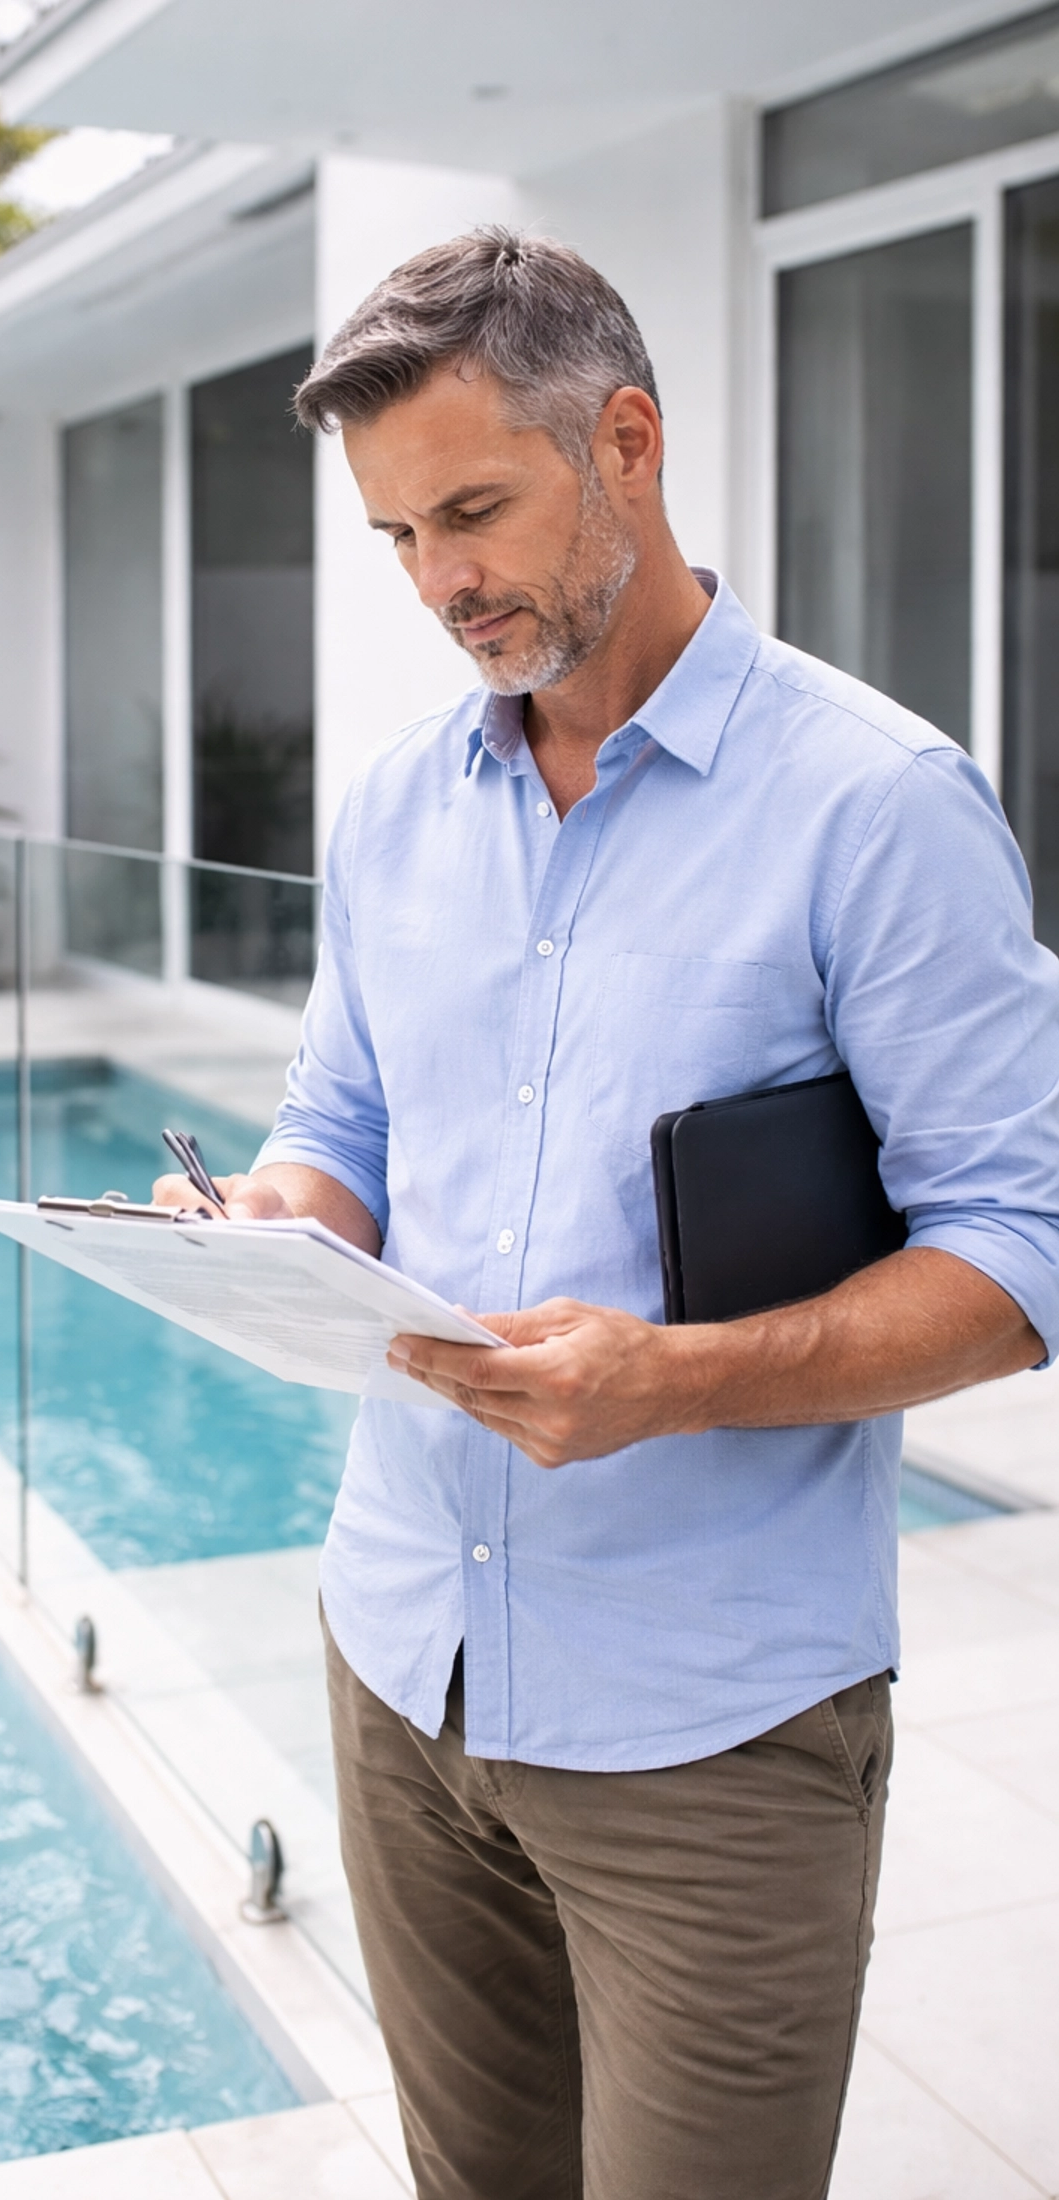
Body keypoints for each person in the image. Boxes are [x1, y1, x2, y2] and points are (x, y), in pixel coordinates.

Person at [153, 228, 1059, 2200]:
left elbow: (1022, 1253)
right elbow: (339, 1121)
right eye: (400, 536)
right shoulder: (398, 807)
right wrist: (270, 1221)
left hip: (711, 1731)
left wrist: (682, 1377)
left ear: (627, 442)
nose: (441, 583)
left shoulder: (879, 808)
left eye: (473, 509)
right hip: (403, 1662)